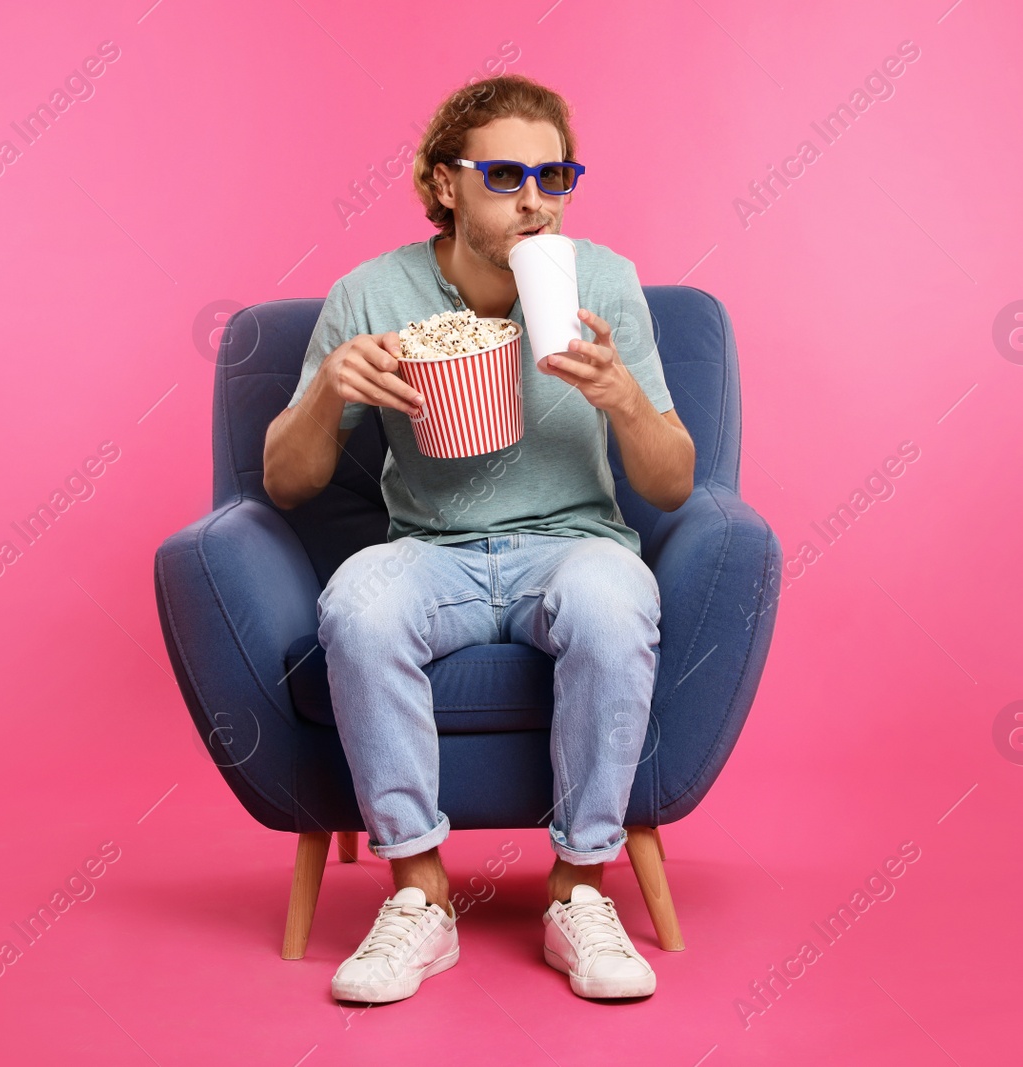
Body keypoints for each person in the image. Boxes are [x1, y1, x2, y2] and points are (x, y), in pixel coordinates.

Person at [262, 73, 695, 1003]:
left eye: (556, 175)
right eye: (504, 175)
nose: (536, 200)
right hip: (433, 549)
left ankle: (579, 890)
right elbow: (284, 482)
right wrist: (331, 386)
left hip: (573, 542)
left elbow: (673, 481)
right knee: (360, 603)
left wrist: (624, 401)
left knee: (616, 597)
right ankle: (419, 898)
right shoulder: (371, 295)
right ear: (445, 183)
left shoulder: (605, 284)